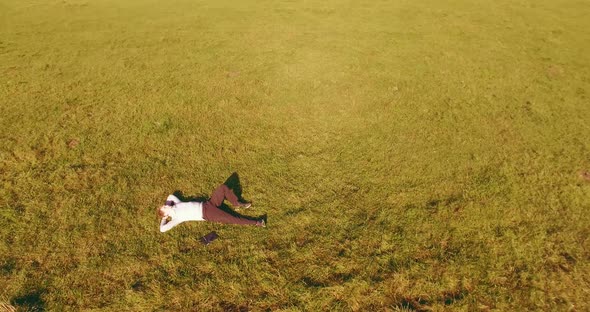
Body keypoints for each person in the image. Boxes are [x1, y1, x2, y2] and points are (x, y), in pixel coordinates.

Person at [158, 183, 265, 232]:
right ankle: (257, 222)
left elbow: (170, 196)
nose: (165, 205)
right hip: (208, 214)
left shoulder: (176, 204)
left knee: (222, 188)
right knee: (234, 219)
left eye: (164, 205)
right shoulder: (177, 218)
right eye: (164, 207)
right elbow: (162, 229)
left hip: (208, 204)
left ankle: (237, 203)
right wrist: (164, 219)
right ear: (167, 214)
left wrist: (168, 206)